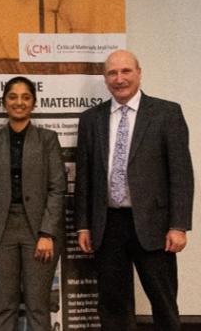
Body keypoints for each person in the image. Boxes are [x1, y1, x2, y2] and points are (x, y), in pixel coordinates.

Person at [75, 50, 194, 330]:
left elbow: (181, 174)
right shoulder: (91, 119)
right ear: (105, 79)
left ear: (139, 73)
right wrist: (83, 225)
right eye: (112, 73)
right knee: (113, 304)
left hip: (154, 225)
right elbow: (84, 177)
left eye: (126, 71)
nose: (119, 79)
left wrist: (179, 225)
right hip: (108, 224)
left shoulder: (167, 113)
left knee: (163, 302)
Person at [0, 76, 66, 331]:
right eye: (13, 97)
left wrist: (47, 233)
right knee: (4, 305)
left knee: (37, 305)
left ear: (33, 102)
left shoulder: (47, 139)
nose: (19, 102)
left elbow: (58, 188)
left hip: (38, 231)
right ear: (4, 102)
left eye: (25, 97)